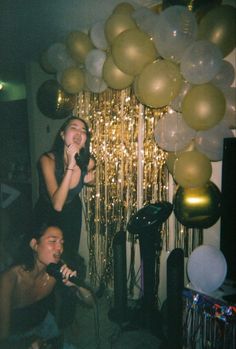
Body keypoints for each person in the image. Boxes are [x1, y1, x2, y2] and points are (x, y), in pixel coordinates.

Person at [0, 223, 86, 349]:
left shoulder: (55, 272)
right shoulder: (9, 280)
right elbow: (3, 338)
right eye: (52, 241)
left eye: (61, 242)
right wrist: (26, 344)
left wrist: (78, 285)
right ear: (34, 245)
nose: (59, 248)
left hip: (46, 327)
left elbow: (90, 302)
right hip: (17, 337)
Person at [34, 116, 96, 268]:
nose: (79, 132)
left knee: (68, 259)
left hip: (71, 213)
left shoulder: (88, 161)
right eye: (73, 127)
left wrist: (91, 180)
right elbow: (57, 205)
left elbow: (92, 181)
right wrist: (71, 165)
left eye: (83, 130)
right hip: (47, 214)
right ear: (62, 135)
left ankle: (66, 289)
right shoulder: (47, 160)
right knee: (43, 260)